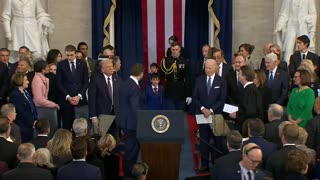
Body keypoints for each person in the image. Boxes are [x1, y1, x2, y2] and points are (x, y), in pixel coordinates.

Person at [193, 59, 226, 173]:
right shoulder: (199, 80)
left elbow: (222, 99)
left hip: (216, 115)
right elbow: (195, 97)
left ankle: (218, 165)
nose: (207, 70)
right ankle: (204, 164)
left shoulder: (221, 81)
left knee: (218, 141)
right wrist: (203, 109)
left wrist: (211, 110)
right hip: (202, 115)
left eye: (209, 68)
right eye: (206, 68)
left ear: (215, 68)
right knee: (204, 140)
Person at [118, 64, 144, 175]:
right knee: (132, 150)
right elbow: (135, 108)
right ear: (141, 73)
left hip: (126, 122)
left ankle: (128, 170)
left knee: (130, 149)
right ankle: (129, 173)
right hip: (132, 124)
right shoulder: (133, 86)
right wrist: (142, 122)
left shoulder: (127, 83)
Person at [56, 45, 89, 130]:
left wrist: (79, 96)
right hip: (66, 101)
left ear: (75, 53)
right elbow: (59, 83)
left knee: (80, 127)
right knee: (67, 126)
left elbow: (85, 82)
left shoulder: (82, 63)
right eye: (67, 55)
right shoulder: (61, 65)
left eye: (71, 55)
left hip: (80, 100)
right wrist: (68, 97)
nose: (69, 57)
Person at [88, 60, 121, 136]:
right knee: (102, 138)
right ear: (102, 69)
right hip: (102, 115)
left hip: (116, 115)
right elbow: (91, 99)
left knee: (115, 139)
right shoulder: (96, 80)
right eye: (108, 67)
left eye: (111, 66)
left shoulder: (117, 79)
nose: (111, 68)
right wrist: (93, 116)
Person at [160, 42, 192, 110]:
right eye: (173, 49)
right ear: (171, 50)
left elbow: (188, 79)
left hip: (181, 91)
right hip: (169, 90)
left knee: (180, 114)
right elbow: (161, 76)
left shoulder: (184, 61)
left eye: (176, 49)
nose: (175, 51)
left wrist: (189, 94)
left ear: (180, 49)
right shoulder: (165, 61)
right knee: (171, 114)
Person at [9, 73, 37, 142]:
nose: (28, 82)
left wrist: (35, 119)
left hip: (30, 124)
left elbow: (33, 106)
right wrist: (32, 122)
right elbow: (21, 112)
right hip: (23, 126)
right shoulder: (15, 95)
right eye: (26, 80)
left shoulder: (26, 92)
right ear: (20, 81)